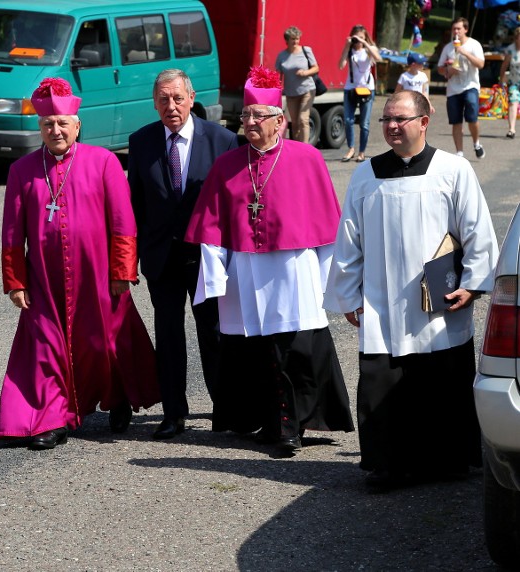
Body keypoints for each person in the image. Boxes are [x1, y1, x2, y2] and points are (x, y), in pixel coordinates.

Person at [324, 90, 498, 490]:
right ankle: (387, 464)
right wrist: (348, 295)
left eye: (400, 119)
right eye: (386, 119)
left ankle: (448, 460)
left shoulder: (453, 170)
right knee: (383, 380)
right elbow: (349, 239)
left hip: (438, 302)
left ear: (424, 120)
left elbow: (477, 231)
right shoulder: (366, 175)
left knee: (441, 379)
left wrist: (472, 284)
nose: (392, 126)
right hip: (382, 301)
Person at [184, 67, 354, 454]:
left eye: (258, 116)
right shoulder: (227, 165)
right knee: (253, 351)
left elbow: (328, 227)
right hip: (244, 269)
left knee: (295, 347)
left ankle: (292, 425)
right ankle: (266, 420)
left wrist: (334, 281)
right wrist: (213, 275)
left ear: (280, 121)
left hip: (293, 267)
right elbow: (211, 225)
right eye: (245, 116)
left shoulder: (307, 158)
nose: (249, 122)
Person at [0, 78, 159, 450]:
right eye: (48, 124)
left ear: (77, 125)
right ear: (39, 127)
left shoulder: (103, 162)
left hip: (97, 277)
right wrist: (15, 281)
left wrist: (122, 272)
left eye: (62, 123)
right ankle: (53, 419)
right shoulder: (22, 170)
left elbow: (123, 222)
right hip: (44, 281)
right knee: (45, 349)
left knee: (105, 344)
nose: (56, 130)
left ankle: (117, 398)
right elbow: (11, 233)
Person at [128, 69, 237, 439]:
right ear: (154, 102)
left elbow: (232, 205)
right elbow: (136, 206)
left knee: (216, 333)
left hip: (206, 256)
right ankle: (174, 413)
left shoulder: (223, 141)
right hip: (161, 257)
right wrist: (133, 257)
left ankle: (226, 409)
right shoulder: (141, 142)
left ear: (192, 98)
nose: (170, 106)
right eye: (163, 99)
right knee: (169, 335)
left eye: (177, 98)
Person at [437, 17, 485, 158]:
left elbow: (481, 64)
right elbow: (439, 68)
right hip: (453, 88)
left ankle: (476, 143)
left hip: (470, 85)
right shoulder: (448, 47)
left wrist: (465, 53)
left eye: (458, 28)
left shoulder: (474, 45)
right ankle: (459, 153)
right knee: (456, 121)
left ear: (465, 29)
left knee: (472, 117)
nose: (456, 31)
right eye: (454, 29)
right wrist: (448, 71)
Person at [338, 24, 382, 163]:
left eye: (361, 37)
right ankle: (351, 149)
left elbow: (378, 58)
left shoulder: (369, 49)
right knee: (348, 120)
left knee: (364, 123)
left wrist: (365, 43)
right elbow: (340, 66)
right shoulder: (350, 50)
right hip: (350, 88)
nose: (358, 41)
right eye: (356, 38)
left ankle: (362, 152)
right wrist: (347, 46)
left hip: (367, 89)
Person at [275, 26, 319, 143]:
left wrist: (305, 72)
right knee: (294, 123)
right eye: (293, 39)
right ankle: (297, 147)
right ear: (287, 40)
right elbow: (278, 76)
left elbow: (316, 68)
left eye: (297, 39)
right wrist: (276, 91)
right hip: (291, 93)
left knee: (303, 119)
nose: (295, 41)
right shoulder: (282, 56)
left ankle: (305, 148)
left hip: (307, 90)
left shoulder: (306, 50)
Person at [498, 26, 520, 138]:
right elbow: (504, 66)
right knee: (513, 102)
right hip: (514, 81)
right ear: (516, 38)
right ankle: (511, 129)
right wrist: (501, 79)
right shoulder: (510, 49)